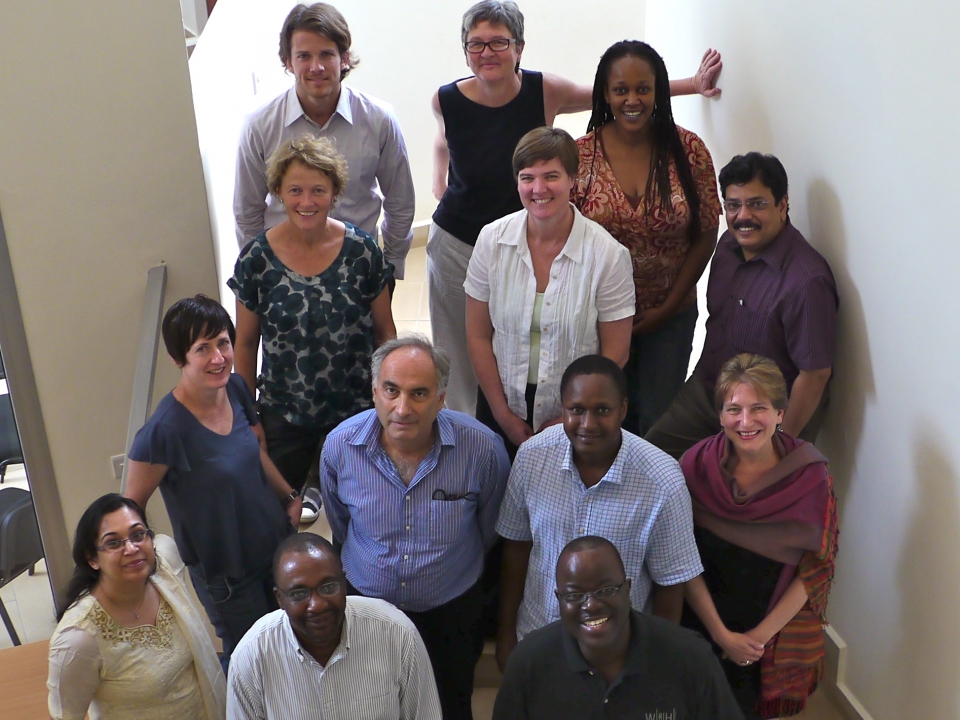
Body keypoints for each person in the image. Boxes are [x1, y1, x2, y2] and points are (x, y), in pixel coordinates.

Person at [430, 0, 722, 415]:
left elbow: (616, 92)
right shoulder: (449, 101)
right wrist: (439, 188)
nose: (487, 52)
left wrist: (692, 83)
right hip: (491, 257)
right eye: (476, 43)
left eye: (499, 42)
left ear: (519, 47)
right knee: (476, 358)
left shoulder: (684, 148)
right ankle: (475, 434)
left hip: (649, 302)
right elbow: (444, 144)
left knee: (647, 413)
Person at [320, 335, 509, 720]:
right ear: (375, 392)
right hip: (367, 609)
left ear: (441, 399)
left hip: (451, 611)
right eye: (391, 390)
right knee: (371, 706)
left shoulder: (483, 449)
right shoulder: (339, 447)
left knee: (451, 704)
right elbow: (340, 525)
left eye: (419, 393)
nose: (402, 408)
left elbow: (490, 529)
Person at [495, 355, 703, 671]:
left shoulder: (662, 480)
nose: (588, 424)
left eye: (602, 410)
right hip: (537, 641)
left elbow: (670, 585)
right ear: (562, 409)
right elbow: (516, 550)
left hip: (620, 656)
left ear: (623, 409)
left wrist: (653, 663)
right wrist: (506, 635)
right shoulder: (531, 457)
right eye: (577, 410)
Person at [125, 295, 296, 664]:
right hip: (228, 573)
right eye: (202, 348)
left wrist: (289, 496)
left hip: (273, 545)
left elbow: (254, 448)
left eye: (223, 343)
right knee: (253, 660)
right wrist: (146, 565)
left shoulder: (234, 388)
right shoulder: (162, 432)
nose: (218, 358)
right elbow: (129, 509)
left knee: (288, 644)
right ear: (178, 358)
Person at [230, 135, 396, 496]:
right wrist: (247, 416)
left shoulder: (363, 251)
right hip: (282, 413)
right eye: (295, 191)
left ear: (334, 192)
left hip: (356, 410)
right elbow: (245, 343)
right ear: (278, 192)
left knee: (363, 510)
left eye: (318, 190)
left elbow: (385, 334)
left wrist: (389, 400)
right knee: (277, 511)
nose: (306, 202)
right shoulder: (256, 260)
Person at [646, 152, 839, 459]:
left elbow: (814, 376)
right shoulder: (727, 246)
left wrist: (776, 447)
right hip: (708, 392)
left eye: (757, 204)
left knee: (740, 488)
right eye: (733, 205)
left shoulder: (806, 282)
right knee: (646, 461)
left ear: (783, 205)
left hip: (763, 417)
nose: (743, 216)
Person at [574, 40, 722, 436]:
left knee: (658, 424)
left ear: (658, 91)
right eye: (621, 90)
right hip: (597, 316)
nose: (632, 100)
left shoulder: (690, 150)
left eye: (643, 89)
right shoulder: (580, 156)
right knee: (602, 419)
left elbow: (707, 232)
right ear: (605, 94)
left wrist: (668, 308)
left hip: (669, 314)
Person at [680, 354, 839, 719]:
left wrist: (756, 641)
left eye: (759, 408)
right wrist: (720, 635)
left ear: (781, 413)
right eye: (734, 409)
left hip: (766, 636)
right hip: (696, 622)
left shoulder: (811, 477)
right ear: (720, 415)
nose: (746, 421)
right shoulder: (693, 466)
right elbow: (678, 556)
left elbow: (815, 569)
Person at [465, 126, 634, 457]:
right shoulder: (491, 240)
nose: (538, 189)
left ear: (573, 179)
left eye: (551, 176)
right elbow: (478, 336)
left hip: (575, 415)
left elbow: (617, 352)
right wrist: (502, 413)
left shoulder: (609, 256)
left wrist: (568, 419)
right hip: (501, 402)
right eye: (527, 178)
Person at [234, 2, 415, 278]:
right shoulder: (259, 126)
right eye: (304, 56)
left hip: (358, 269)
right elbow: (247, 211)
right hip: (283, 273)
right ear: (288, 62)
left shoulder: (380, 120)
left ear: (344, 58)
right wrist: (259, 274)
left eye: (326, 54)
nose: (316, 67)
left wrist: (390, 266)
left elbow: (400, 202)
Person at [493, 536, 744, 719]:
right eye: (574, 595)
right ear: (559, 600)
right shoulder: (529, 662)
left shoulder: (691, 658)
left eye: (605, 590)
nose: (591, 605)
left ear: (628, 589)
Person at [48, 494, 226, 720]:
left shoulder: (165, 569)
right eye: (114, 542)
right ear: (92, 558)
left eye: (138, 534)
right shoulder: (78, 638)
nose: (132, 548)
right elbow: (64, 716)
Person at [227, 533, 442, 720]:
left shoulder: (397, 634)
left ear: (344, 584)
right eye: (299, 593)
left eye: (328, 587)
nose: (317, 605)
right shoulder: (251, 657)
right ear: (279, 599)